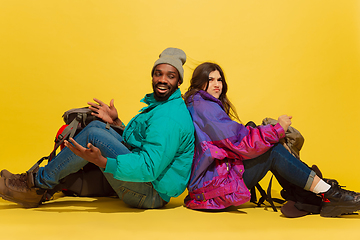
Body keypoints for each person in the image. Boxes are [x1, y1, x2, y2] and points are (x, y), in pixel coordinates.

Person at [0, 47, 195, 209]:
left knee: (94, 133)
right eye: (158, 74)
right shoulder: (164, 106)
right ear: (152, 76)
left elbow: (150, 167)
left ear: (179, 82)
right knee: (97, 125)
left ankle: (36, 186)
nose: (162, 80)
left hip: (150, 194)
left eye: (170, 76)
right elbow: (147, 145)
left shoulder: (169, 117)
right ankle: (43, 182)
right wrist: (116, 123)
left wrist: (104, 162)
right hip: (147, 184)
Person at [183, 62, 360, 217]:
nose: (217, 85)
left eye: (219, 80)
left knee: (257, 132)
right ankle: (329, 194)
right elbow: (239, 142)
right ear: (200, 83)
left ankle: (304, 194)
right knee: (272, 150)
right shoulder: (205, 108)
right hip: (212, 191)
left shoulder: (199, 104)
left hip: (210, 184)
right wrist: (277, 129)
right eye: (211, 79)